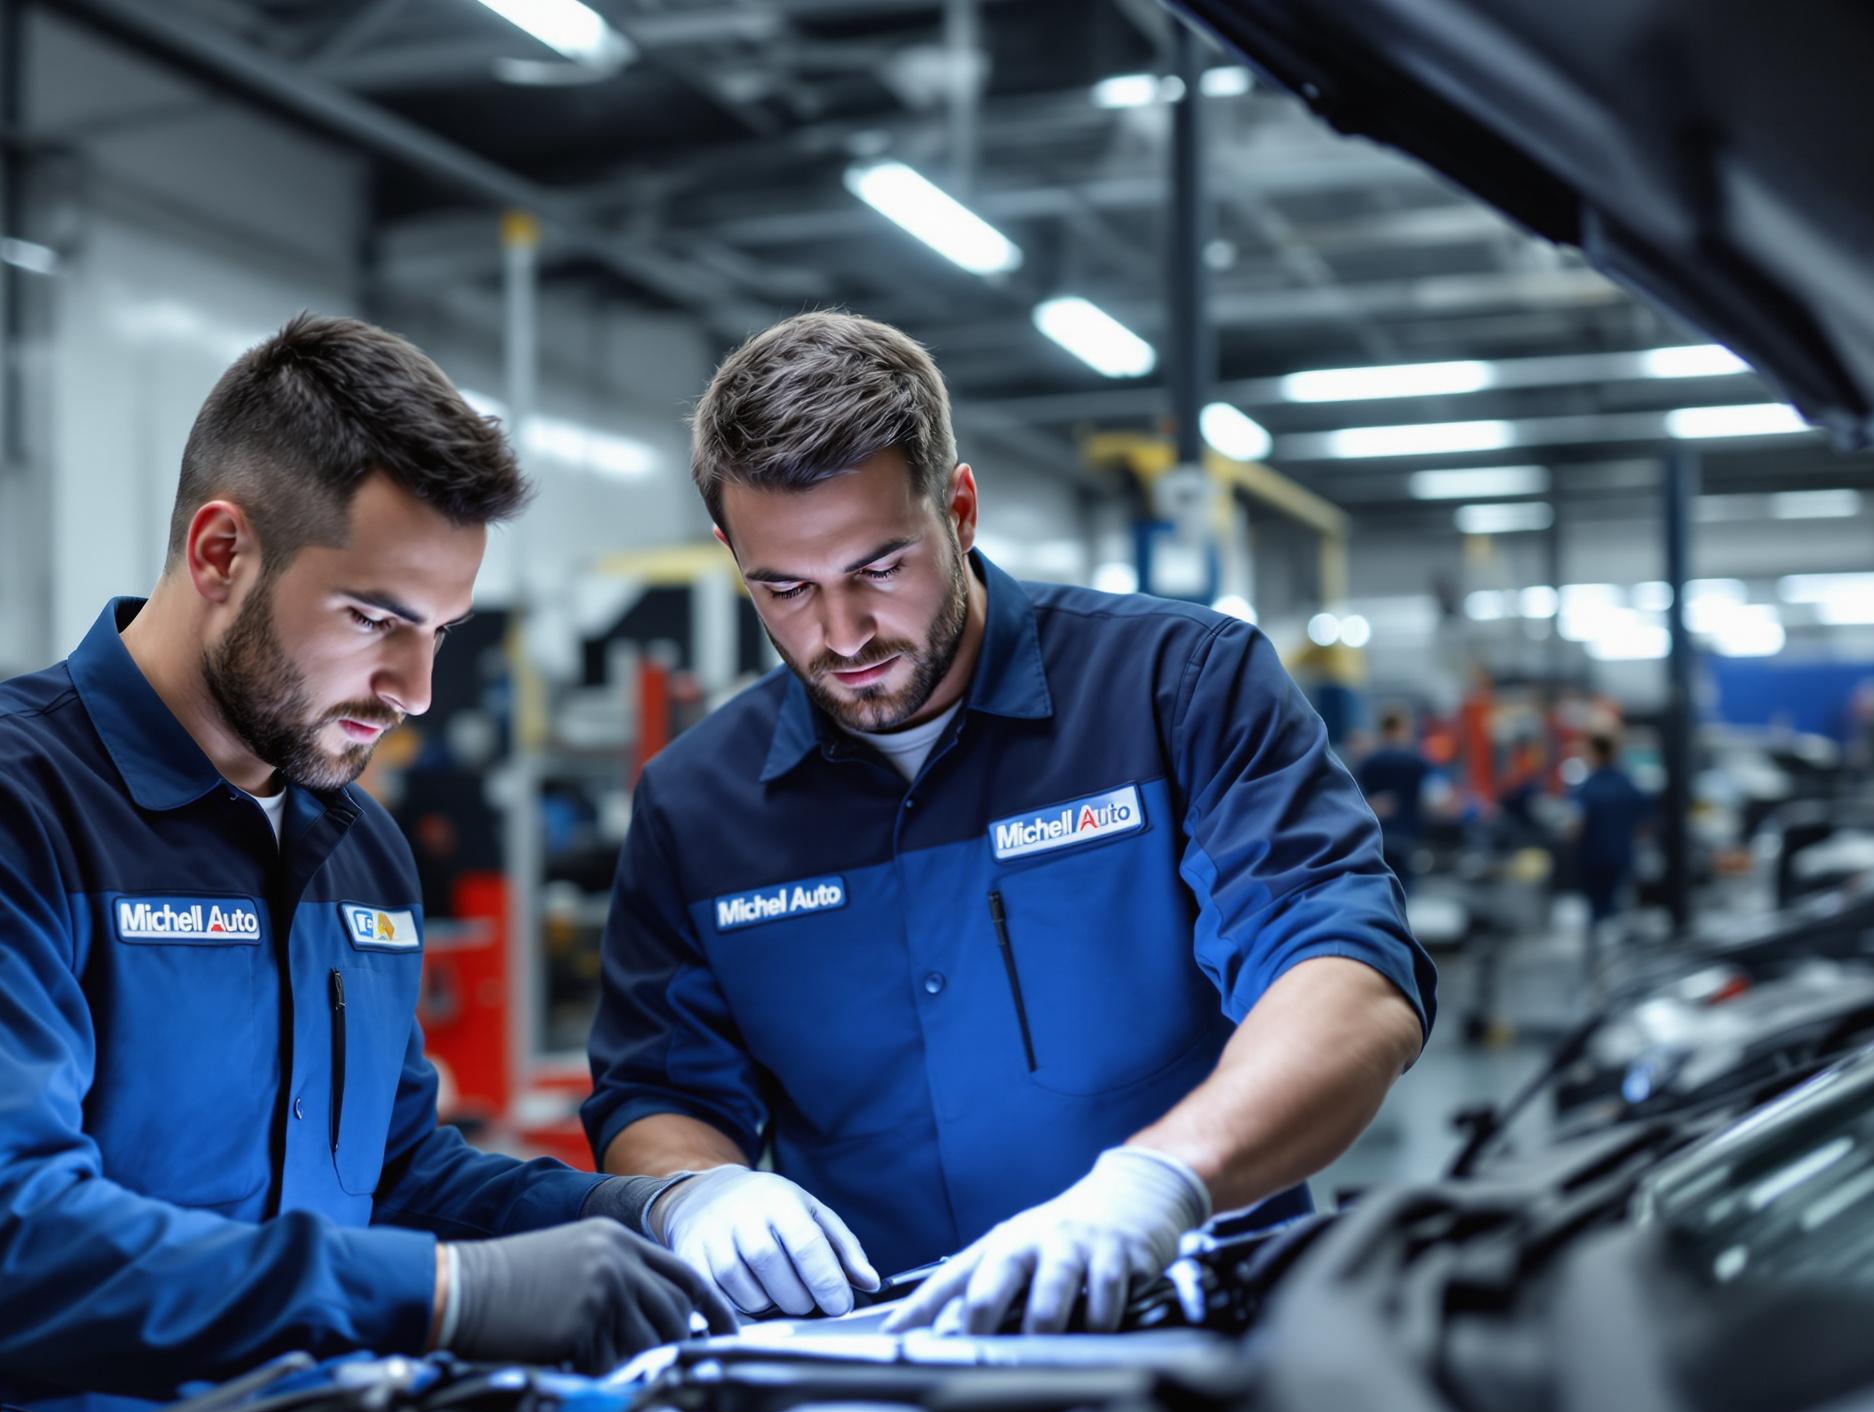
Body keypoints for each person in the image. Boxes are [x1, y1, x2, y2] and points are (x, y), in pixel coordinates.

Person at [0, 315, 730, 1412]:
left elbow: (389, 1172)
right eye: (377, 618)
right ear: (221, 550)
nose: (414, 690)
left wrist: (637, 1215)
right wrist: (440, 1294)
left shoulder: (351, 840)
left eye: (442, 632)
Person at [585, 312, 1434, 1336]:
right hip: (876, 1364)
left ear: (960, 508)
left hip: (1199, 1328)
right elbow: (655, 1089)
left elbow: (1345, 977)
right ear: (731, 553)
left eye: (879, 568)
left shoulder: (1177, 688)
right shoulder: (695, 804)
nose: (842, 632)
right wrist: (697, 1194)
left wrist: (1160, 1184)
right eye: (784, 589)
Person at [1567, 729, 1653, 952]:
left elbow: (1576, 826)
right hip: (1621, 856)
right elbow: (1644, 822)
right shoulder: (1627, 784)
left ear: (1594, 753)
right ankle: (1619, 957)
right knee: (1620, 911)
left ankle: (1597, 961)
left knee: (1597, 913)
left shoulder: (1587, 788)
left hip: (1593, 859)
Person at [1355, 707, 1441, 892]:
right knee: (1405, 891)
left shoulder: (1367, 764)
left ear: (1382, 731)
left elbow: (1355, 801)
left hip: (1376, 840)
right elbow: (1435, 801)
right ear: (1403, 730)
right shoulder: (1417, 763)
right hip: (1407, 838)